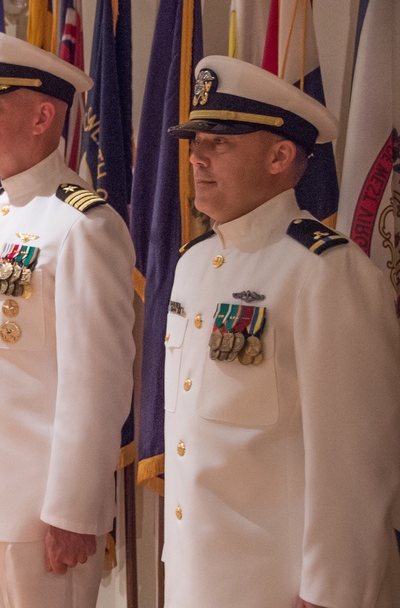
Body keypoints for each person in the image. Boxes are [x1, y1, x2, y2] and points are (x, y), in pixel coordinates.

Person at [163, 55, 400, 607]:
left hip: (275, 588)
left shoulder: (325, 272)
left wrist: (334, 592)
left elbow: (355, 460)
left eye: (220, 141)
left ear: (279, 156)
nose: (197, 155)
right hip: (195, 579)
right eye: (196, 140)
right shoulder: (193, 263)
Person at [0, 29, 136, 608]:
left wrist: (74, 509)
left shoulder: (83, 225)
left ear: (42, 117)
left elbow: (97, 382)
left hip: (40, 515)